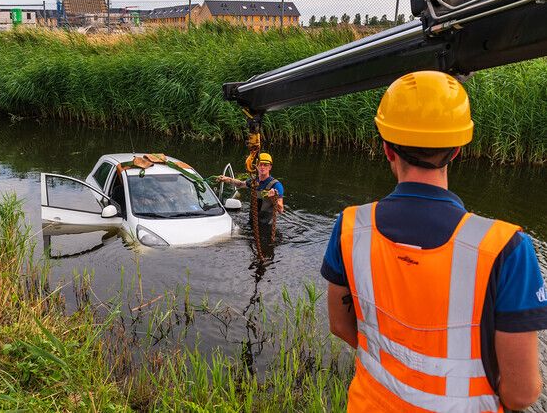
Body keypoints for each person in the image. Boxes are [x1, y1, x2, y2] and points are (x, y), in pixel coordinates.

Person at [321, 71, 547, 412]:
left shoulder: (351, 227)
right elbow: (522, 393)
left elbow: (340, 325)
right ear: (456, 150)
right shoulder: (508, 249)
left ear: (386, 149)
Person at [218, 152, 284, 226]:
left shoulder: (276, 185)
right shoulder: (254, 181)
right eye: (260, 164)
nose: (262, 167)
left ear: (270, 167)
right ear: (257, 166)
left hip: (267, 225)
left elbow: (280, 210)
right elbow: (240, 184)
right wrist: (227, 179)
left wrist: (272, 198)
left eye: (266, 165)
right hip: (252, 222)